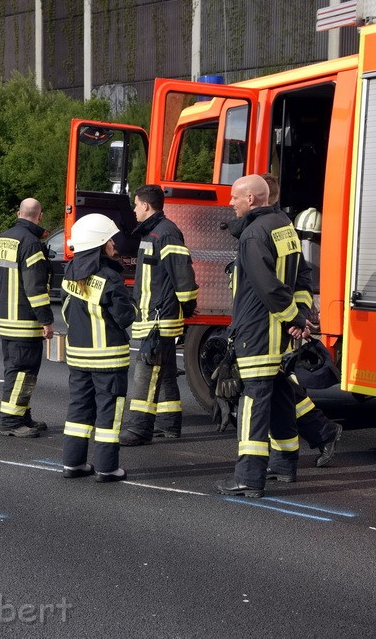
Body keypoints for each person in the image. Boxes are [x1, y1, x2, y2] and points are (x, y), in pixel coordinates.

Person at [216, 175, 310, 498]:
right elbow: (302, 278)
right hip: (281, 336)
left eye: (234, 198)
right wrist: (299, 317)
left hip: (258, 332)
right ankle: (284, 465)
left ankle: (248, 477)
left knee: (253, 402)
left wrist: (293, 317)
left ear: (252, 200)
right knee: (281, 395)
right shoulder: (284, 226)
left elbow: (266, 285)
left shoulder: (253, 234)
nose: (230, 203)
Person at [263, 173, 341, 467]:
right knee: (280, 387)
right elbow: (301, 278)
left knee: (276, 388)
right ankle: (321, 433)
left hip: (273, 326)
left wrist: (296, 318)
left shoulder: (271, 230)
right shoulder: (278, 228)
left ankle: (315, 436)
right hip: (274, 325)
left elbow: (290, 281)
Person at [60, 214, 136, 482]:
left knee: (79, 410)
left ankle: (73, 464)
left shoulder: (70, 272)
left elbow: (68, 310)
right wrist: (134, 303)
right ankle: (106, 468)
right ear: (100, 244)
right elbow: (126, 317)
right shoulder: (109, 278)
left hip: (78, 356)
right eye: (111, 241)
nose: (115, 245)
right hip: (109, 359)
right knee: (108, 414)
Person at [120, 185, 198, 445]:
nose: (134, 209)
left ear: (146, 205)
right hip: (153, 315)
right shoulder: (152, 233)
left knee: (146, 371)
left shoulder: (165, 234)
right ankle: (169, 424)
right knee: (163, 371)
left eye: (136, 204)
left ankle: (139, 428)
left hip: (160, 317)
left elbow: (183, 275)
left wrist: (186, 307)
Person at [0, 198, 55, 438]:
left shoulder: (3, 238)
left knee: (16, 370)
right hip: (25, 322)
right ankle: (11, 421)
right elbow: (35, 287)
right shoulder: (32, 243)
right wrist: (46, 320)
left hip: (7, 319)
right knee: (23, 371)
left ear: (18, 213)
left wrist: (2, 298)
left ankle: (23, 416)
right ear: (39, 215)